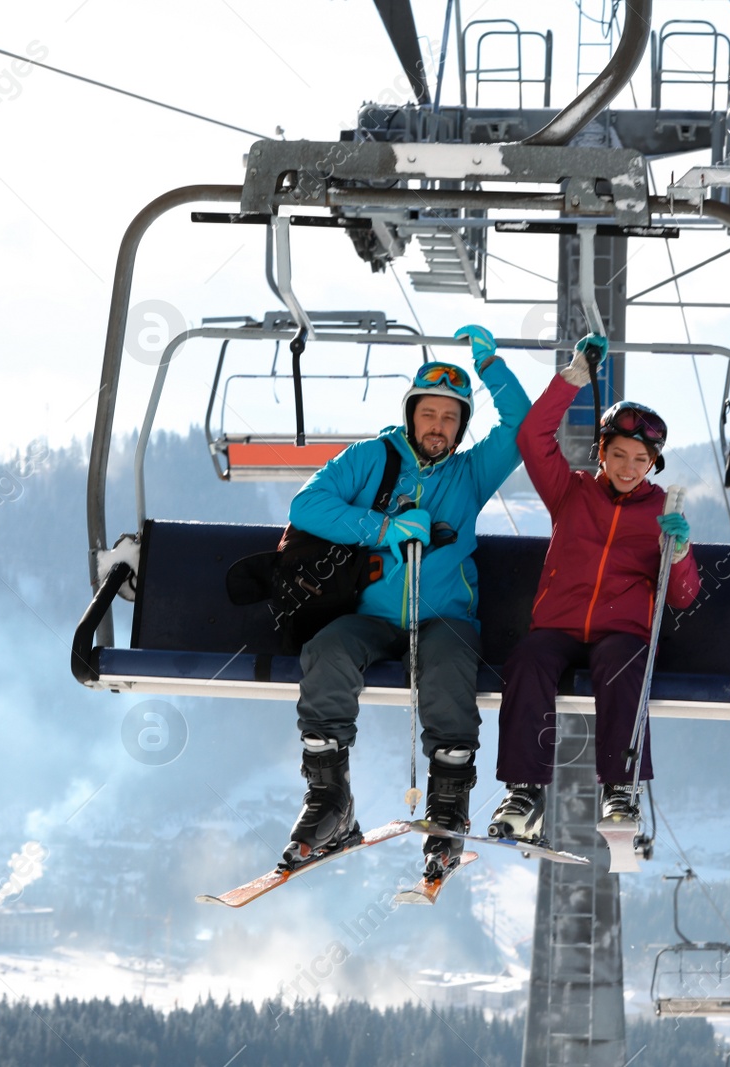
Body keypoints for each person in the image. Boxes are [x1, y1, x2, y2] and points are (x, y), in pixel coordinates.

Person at [282, 325, 531, 878]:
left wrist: (493, 370)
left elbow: (523, 426)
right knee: (328, 653)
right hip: (370, 615)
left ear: (462, 426)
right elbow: (308, 507)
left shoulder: (472, 472)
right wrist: (382, 528)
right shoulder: (371, 458)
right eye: (429, 414)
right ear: (412, 413)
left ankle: (447, 806)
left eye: (450, 418)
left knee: (447, 667)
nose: (437, 427)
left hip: (443, 615)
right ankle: (329, 800)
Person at [488, 334, 701, 838]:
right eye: (620, 455)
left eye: (640, 461)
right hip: (559, 626)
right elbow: (533, 436)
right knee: (528, 660)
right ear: (600, 453)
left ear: (652, 466)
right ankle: (525, 790)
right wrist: (574, 377)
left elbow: (683, 596)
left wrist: (681, 552)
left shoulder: (661, 513)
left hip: (620, 632)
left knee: (621, 663)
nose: (629, 469)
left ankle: (620, 789)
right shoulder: (572, 492)